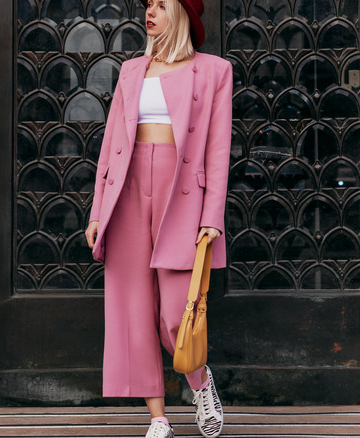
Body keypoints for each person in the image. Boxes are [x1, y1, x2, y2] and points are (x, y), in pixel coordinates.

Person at [84, 0, 231, 437]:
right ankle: (158, 418)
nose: (150, 11)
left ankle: (200, 384)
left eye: (161, 5)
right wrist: (98, 210)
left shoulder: (214, 71)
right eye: (148, 4)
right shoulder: (132, 70)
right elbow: (111, 143)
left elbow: (218, 149)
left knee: (176, 314)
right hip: (127, 190)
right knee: (133, 308)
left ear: (182, 14)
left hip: (182, 194)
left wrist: (212, 215)